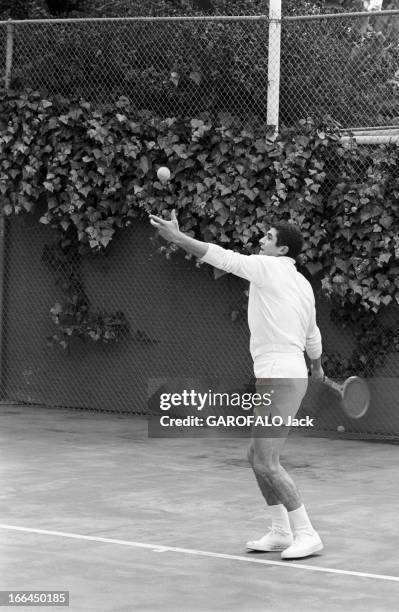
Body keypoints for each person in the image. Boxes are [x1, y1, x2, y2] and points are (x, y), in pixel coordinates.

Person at [149, 210, 325, 560]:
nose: (262, 240)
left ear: (282, 250)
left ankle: (306, 533)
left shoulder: (268, 266)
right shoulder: (302, 284)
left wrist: (179, 238)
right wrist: (317, 367)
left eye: (269, 237)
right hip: (287, 372)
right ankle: (279, 531)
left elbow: (222, 257)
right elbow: (312, 334)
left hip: (280, 374)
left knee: (267, 461)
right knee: (255, 456)